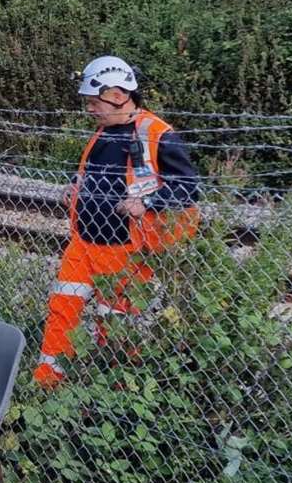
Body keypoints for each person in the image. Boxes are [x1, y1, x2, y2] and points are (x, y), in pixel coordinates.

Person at [34, 56, 199, 386]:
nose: (90, 110)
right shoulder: (103, 133)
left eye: (95, 103)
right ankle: (47, 382)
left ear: (120, 96)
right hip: (84, 243)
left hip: (126, 250)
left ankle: (119, 391)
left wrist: (148, 203)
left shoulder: (158, 135)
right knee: (61, 309)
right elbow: (92, 174)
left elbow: (188, 188)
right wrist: (73, 188)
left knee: (118, 321)